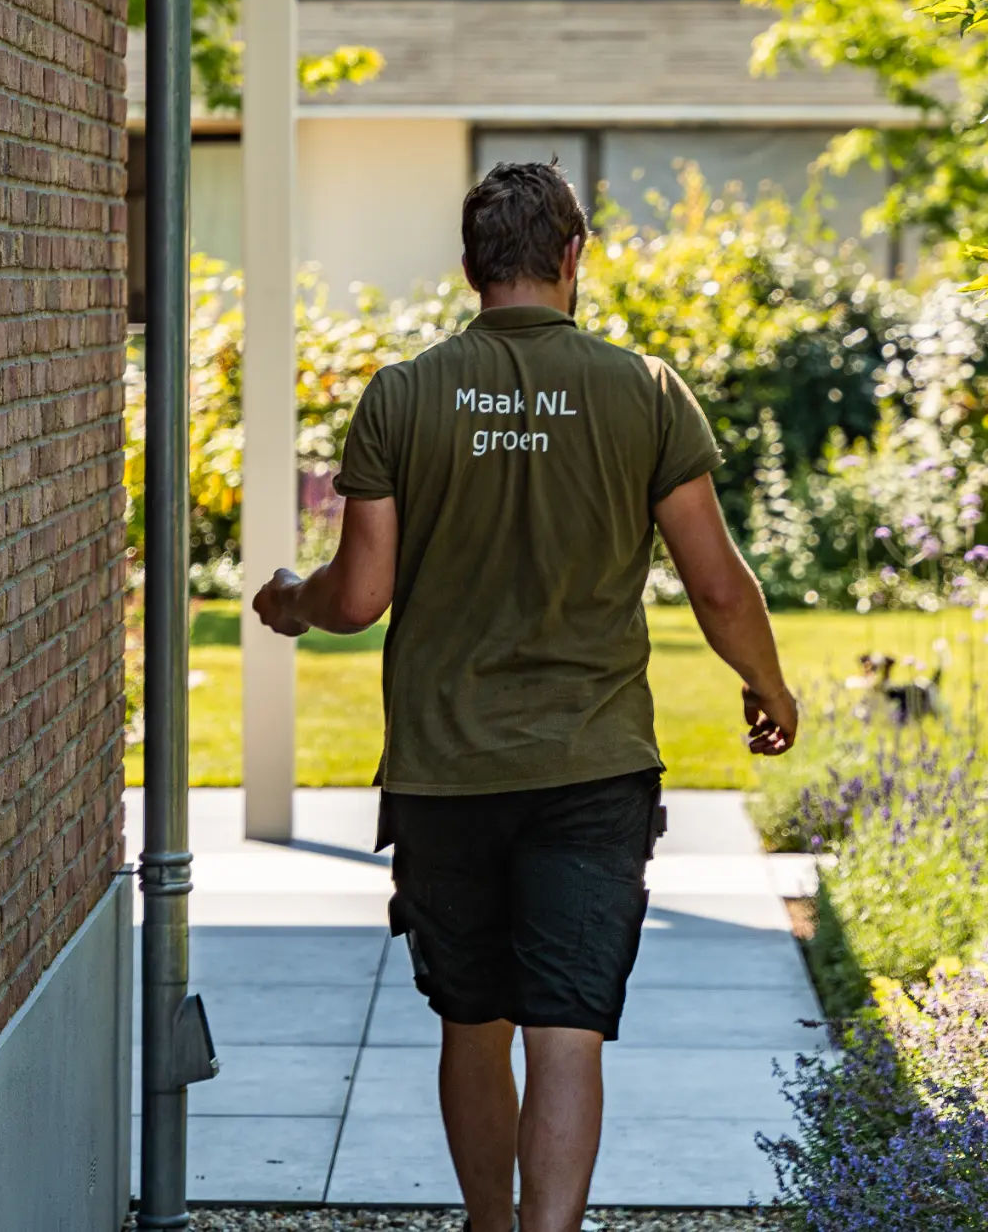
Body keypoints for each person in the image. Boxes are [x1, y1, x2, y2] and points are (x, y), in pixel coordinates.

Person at [252, 160, 798, 1232]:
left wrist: (289, 598)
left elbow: (358, 594)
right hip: (591, 766)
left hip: (445, 768)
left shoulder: (403, 392)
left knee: (471, 1017)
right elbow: (718, 584)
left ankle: (489, 1227)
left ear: (469, 268)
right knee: (566, 1025)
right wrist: (767, 687)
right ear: (571, 256)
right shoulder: (642, 388)